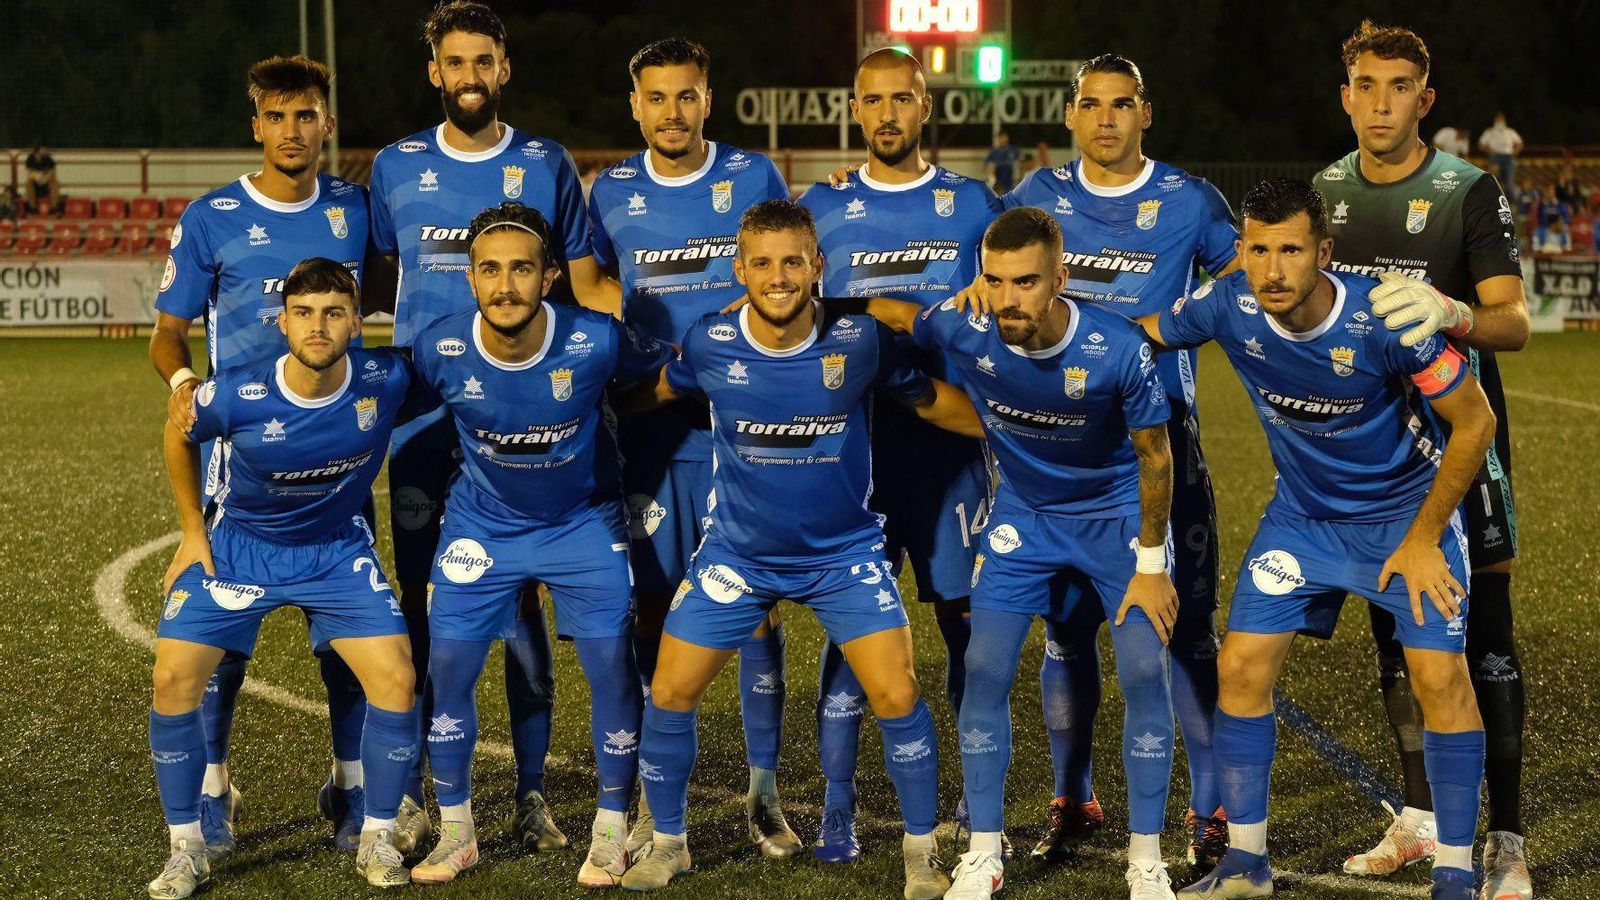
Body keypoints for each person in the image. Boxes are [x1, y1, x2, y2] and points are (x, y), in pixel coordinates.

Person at [1141, 179, 1496, 900]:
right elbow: (1144, 329)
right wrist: (1041, 311)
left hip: (1404, 519)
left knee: (1439, 680)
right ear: (1240, 250)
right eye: (1258, 249)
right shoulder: (1226, 303)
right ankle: (1246, 864)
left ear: (1323, 252)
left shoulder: (1386, 321)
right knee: (1239, 668)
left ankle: (1456, 871)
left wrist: (1427, 536)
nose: (1272, 270)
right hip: (1302, 522)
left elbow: (1476, 422)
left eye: (1291, 251)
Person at [618, 200, 981, 896]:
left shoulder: (863, 342)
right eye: (762, 263)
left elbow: (930, 400)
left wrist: (1012, 430)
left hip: (844, 557)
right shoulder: (711, 342)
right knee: (669, 689)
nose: (778, 277)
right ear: (740, 269)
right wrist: (592, 409)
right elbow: (658, 391)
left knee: (899, 692)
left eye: (793, 261)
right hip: (737, 559)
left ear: (818, 266)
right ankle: (669, 842)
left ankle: (920, 853)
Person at [870, 207, 1184, 900]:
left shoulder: (1117, 346)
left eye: (1026, 282)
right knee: (983, 666)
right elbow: (890, 309)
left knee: (1141, 671)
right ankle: (984, 852)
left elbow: (1155, 457)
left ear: (1061, 280)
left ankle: (1146, 858)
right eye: (995, 280)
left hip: (1115, 519)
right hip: (1025, 518)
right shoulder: (964, 324)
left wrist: (1154, 565)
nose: (1008, 299)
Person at [366, 1, 620, 853]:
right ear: (433, 71)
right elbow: (371, 279)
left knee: (523, 604)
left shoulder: (546, 164)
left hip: (523, 414)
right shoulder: (393, 167)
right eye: (454, 62)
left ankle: (532, 792)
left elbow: (582, 290)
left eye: (484, 61)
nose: (469, 76)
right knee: (423, 610)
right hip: (419, 425)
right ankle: (422, 798)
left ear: (503, 69)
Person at [993, 53, 1240, 869]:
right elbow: (991, 293)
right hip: (1054, 456)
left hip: (1158, 453)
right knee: (1066, 639)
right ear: (1071, 115)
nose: (1106, 119)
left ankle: (1210, 814)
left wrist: (1175, 324)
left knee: (1185, 636)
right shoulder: (1034, 198)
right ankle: (1074, 797)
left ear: (1145, 112)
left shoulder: (1190, 202)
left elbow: (1248, 280)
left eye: (1122, 104)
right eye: (1091, 105)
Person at [1318, 22, 1532, 899]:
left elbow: (1512, 324)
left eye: (1398, 86)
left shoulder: (1468, 190)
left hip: (1464, 442)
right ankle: (1420, 819)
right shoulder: (1326, 191)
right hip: (1372, 457)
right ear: (1346, 95)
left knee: (1484, 637)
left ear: (1424, 100)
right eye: (1366, 85)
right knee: (1395, 638)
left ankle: (1507, 841)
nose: (1379, 103)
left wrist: (1450, 313)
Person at [150, 54, 375, 857]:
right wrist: (183, 383)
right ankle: (213, 787)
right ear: (256, 126)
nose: (292, 130)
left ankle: (352, 783)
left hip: (340, 457)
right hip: (237, 464)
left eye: (306, 114)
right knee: (222, 645)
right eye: (277, 116)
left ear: (327, 123)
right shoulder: (211, 216)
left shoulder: (357, 208)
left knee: (346, 640)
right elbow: (167, 331)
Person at [406, 203, 669, 887]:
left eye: (522, 269)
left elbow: (669, 377)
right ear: (469, 279)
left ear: (551, 275)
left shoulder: (598, 340)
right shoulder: (440, 348)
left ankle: (610, 831)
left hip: (584, 525)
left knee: (613, 670)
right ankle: (458, 832)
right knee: (449, 671)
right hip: (481, 530)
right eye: (489, 270)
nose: (505, 286)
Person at [147, 259, 423, 897]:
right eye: (303, 313)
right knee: (172, 678)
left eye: (332, 312)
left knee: (397, 677)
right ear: (283, 321)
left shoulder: (388, 376)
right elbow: (177, 430)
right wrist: (193, 529)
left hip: (335, 551)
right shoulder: (237, 393)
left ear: (358, 321)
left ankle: (377, 834)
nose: (317, 326)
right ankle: (187, 846)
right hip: (241, 551)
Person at [585, 37, 800, 858]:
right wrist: (640, 331)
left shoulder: (753, 178)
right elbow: (588, 279)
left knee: (753, 609)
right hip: (649, 427)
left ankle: (762, 791)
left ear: (709, 100)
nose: (671, 112)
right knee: (650, 605)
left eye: (687, 96)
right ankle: (651, 794)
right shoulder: (612, 189)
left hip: (743, 436)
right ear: (634, 105)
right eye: (656, 98)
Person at [798, 48, 1002, 861]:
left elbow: (1008, 300)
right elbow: (795, 306)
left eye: (903, 100)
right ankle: (837, 811)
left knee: (966, 626)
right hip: (853, 453)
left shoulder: (972, 204)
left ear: (926, 109)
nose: (888, 114)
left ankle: (970, 798)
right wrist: (878, 308)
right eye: (873, 100)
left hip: (947, 445)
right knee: (856, 630)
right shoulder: (821, 205)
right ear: (857, 109)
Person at [1478, 112, 1523, 199]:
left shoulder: (1510, 131)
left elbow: (1520, 143)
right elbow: (1481, 144)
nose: (1500, 121)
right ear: (1495, 120)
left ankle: (1512, 205)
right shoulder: (1489, 132)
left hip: (1508, 157)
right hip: (1495, 157)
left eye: (1501, 119)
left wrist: (1514, 152)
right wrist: (1490, 151)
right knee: (1494, 181)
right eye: (1498, 119)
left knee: (1509, 182)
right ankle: (1493, 201)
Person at [24, 144, 59, 214]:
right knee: (28, 183)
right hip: (35, 183)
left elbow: (52, 173)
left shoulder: (49, 159)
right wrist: (37, 177)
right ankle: (33, 208)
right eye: (45, 149)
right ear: (39, 150)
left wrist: (45, 178)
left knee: (54, 183)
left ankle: (53, 208)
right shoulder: (30, 159)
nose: (47, 151)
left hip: (46, 183)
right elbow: (29, 173)